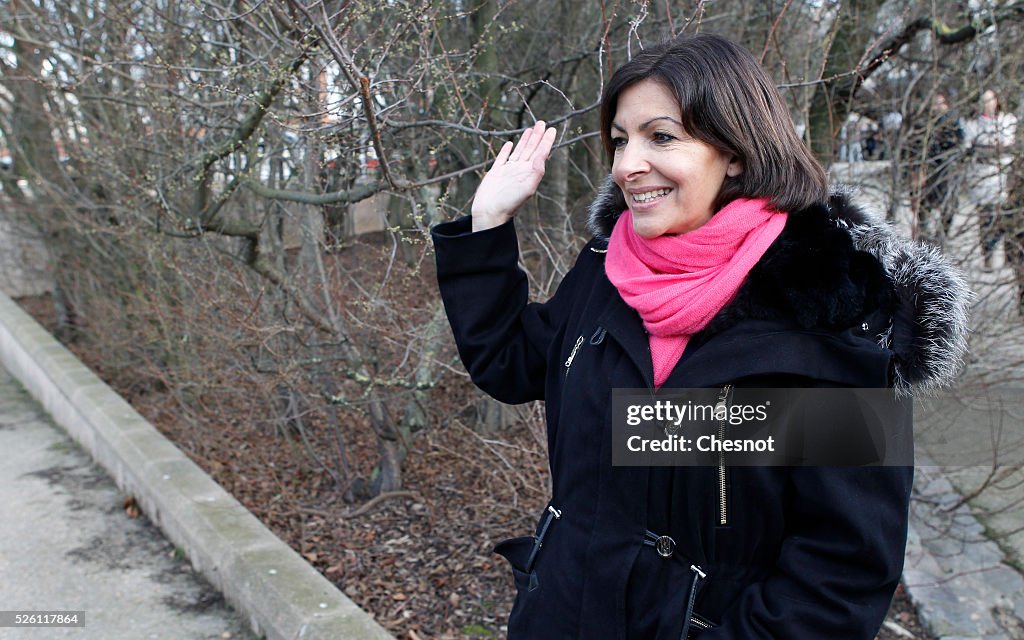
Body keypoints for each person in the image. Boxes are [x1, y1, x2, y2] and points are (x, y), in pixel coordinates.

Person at [432, 33, 970, 639]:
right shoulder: (609, 268)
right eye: (619, 140)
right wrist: (487, 226)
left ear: (735, 151)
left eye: (661, 137)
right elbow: (511, 364)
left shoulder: (832, 314)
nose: (627, 165)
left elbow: (841, 576)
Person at [963, 88, 1017, 271]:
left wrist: (990, 148)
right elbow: (971, 148)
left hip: (1004, 177)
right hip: (982, 179)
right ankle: (988, 256)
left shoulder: (1007, 120)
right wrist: (990, 149)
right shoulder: (973, 124)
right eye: (984, 100)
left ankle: (1009, 256)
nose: (988, 104)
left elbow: (1009, 146)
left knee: (1006, 218)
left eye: (991, 99)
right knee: (986, 219)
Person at [916, 91, 964, 244]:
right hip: (930, 170)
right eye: (935, 104)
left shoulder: (952, 123)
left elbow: (958, 143)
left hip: (947, 169)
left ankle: (940, 237)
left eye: (941, 103)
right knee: (924, 206)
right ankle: (924, 237)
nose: (937, 107)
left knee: (948, 206)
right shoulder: (926, 124)